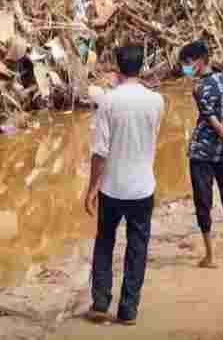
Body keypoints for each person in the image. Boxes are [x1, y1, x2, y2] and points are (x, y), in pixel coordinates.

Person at [84, 44, 165, 326]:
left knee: (105, 242)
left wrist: (91, 188)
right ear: (141, 67)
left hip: (112, 187)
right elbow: (152, 136)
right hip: (142, 187)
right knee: (137, 247)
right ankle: (128, 309)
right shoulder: (156, 101)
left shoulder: (108, 101)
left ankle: (100, 301)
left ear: (117, 68)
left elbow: (100, 152)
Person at [179, 41, 223, 268]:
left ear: (198, 62)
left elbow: (213, 123)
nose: (185, 69)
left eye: (187, 64)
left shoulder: (199, 88)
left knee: (203, 202)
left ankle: (209, 256)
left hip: (202, 152)